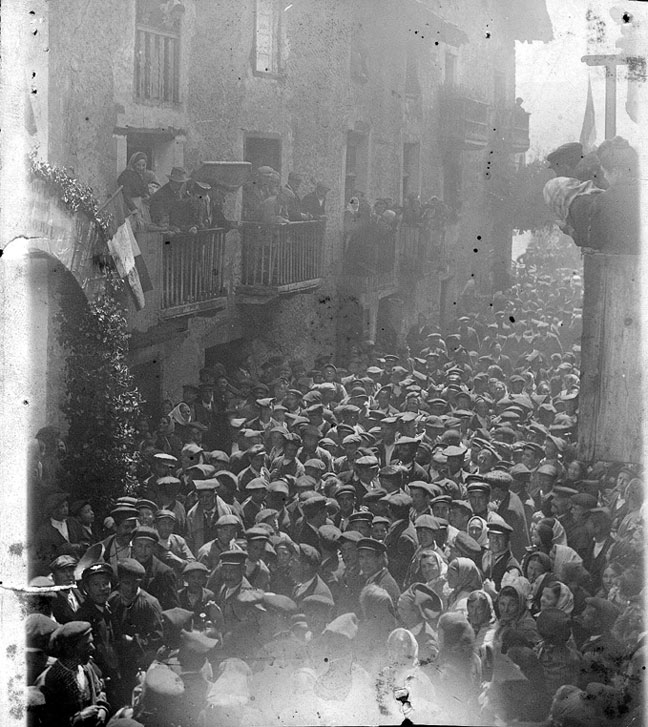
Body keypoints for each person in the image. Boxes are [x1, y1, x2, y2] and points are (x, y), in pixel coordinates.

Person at [36, 621, 110, 727]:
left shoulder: (87, 668)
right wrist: (78, 719)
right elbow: (46, 721)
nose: (93, 648)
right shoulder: (49, 681)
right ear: (70, 649)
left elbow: (99, 693)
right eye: (86, 645)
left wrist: (103, 709)